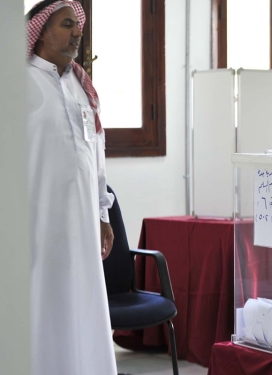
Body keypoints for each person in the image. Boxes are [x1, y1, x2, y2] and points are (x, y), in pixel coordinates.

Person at [25, 1, 117, 374]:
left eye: (78, 25)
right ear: (42, 30)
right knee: (42, 306)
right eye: (67, 24)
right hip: (35, 224)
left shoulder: (81, 86)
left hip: (81, 224)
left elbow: (95, 160)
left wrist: (102, 214)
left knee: (82, 303)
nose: (78, 31)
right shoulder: (18, 81)